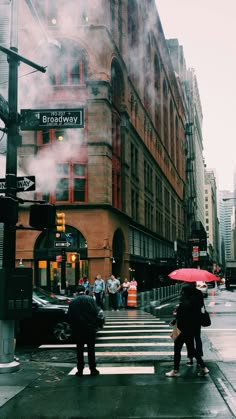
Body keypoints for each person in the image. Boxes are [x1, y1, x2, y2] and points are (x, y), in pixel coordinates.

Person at [166, 284, 209, 377]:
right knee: (191, 349)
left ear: (185, 292)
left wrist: (175, 315)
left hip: (180, 329)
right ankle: (203, 367)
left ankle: (175, 370)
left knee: (177, 349)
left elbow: (181, 316)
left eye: (182, 291)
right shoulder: (193, 302)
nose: (180, 292)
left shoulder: (184, 303)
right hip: (189, 328)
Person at [67, 285, 100, 377]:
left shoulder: (73, 301)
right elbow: (96, 312)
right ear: (85, 291)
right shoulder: (90, 299)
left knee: (79, 350)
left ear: (77, 292)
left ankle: (80, 370)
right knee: (91, 349)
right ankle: (92, 369)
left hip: (78, 329)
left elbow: (69, 316)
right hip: (90, 328)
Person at [185, 282, 204, 366]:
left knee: (190, 339)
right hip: (196, 318)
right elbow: (201, 305)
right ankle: (199, 357)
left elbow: (184, 304)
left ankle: (190, 358)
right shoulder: (199, 292)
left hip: (189, 319)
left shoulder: (186, 293)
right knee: (197, 338)